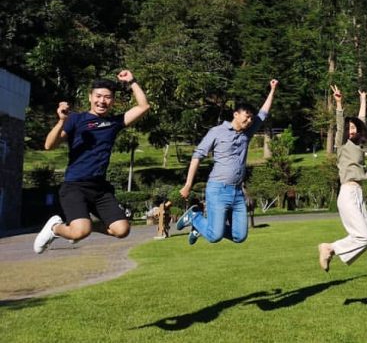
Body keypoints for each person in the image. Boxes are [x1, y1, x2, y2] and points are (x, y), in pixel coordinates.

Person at [34, 71, 151, 253]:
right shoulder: (76, 120)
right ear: (90, 97)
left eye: (107, 97)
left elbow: (143, 106)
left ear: (113, 101)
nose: (102, 101)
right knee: (80, 232)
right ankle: (55, 228)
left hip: (99, 188)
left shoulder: (114, 123)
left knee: (122, 230)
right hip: (75, 186)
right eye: (98, 96)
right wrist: (61, 121)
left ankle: (83, 226)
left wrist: (132, 82)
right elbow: (49, 145)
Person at [177, 79, 278, 245]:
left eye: (251, 119)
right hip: (218, 190)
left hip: (237, 192)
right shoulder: (217, 132)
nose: (250, 121)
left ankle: (201, 226)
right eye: (247, 117)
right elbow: (197, 155)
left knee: (240, 236)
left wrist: (272, 90)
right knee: (214, 236)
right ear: (236, 114)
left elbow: (263, 113)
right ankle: (194, 217)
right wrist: (188, 185)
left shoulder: (248, 133)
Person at [318, 87, 367, 271]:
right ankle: (330, 248)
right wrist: (338, 103)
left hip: (358, 193)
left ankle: (331, 250)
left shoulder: (358, 146)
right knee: (363, 237)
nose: (351, 131)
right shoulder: (341, 145)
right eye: (349, 128)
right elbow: (339, 124)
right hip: (348, 192)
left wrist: (363, 100)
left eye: (354, 128)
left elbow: (361, 122)